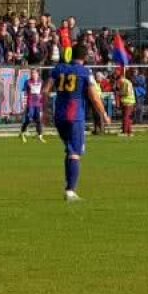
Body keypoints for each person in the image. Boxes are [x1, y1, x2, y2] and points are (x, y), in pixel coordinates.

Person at [48, 41, 109, 202]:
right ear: (84, 57)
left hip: (59, 116)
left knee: (69, 150)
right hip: (75, 117)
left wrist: (43, 111)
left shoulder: (59, 69)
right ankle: (71, 191)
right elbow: (94, 97)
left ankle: (68, 186)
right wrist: (103, 114)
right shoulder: (84, 72)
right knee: (75, 153)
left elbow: (45, 90)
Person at [19, 69, 45, 143]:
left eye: (34, 73)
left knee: (39, 120)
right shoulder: (27, 82)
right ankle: (22, 133)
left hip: (38, 104)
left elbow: (43, 92)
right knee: (29, 119)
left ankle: (40, 136)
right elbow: (23, 92)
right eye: (32, 73)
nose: (33, 74)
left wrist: (43, 101)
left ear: (38, 74)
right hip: (30, 103)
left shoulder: (41, 81)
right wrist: (23, 103)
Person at [116, 68, 136, 137]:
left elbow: (128, 92)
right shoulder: (126, 82)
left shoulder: (126, 83)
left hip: (128, 102)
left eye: (118, 80)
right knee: (128, 117)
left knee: (126, 117)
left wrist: (120, 93)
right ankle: (129, 132)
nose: (118, 82)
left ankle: (124, 132)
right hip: (128, 102)